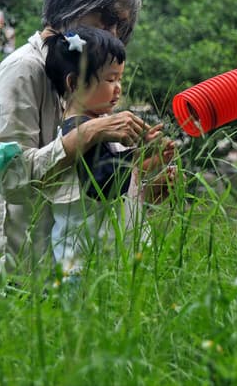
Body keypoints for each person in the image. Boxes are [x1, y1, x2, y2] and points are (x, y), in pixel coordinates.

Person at [0, 0, 150, 277]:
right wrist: (86, 135)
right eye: (106, 18)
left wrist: (143, 176)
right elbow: (9, 180)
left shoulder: (88, 75)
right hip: (25, 276)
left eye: (120, 24)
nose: (113, 33)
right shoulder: (22, 71)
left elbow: (89, 193)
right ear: (72, 3)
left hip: (73, 276)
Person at [42, 25, 177, 272]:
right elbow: (102, 185)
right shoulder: (81, 132)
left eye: (120, 79)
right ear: (73, 83)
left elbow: (116, 185)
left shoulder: (101, 125)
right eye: (110, 79)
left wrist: (149, 166)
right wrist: (138, 155)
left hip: (105, 260)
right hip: (84, 267)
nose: (118, 88)